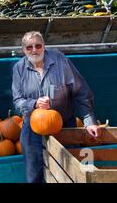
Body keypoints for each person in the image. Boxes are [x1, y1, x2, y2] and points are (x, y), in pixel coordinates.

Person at [11, 31, 101, 183]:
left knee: (68, 172)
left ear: (44, 46)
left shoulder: (60, 61)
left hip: (64, 125)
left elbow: (81, 91)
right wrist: (34, 104)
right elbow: (18, 101)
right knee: (34, 176)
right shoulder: (19, 68)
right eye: (29, 47)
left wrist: (89, 120)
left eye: (38, 46)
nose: (34, 50)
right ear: (23, 50)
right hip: (33, 128)